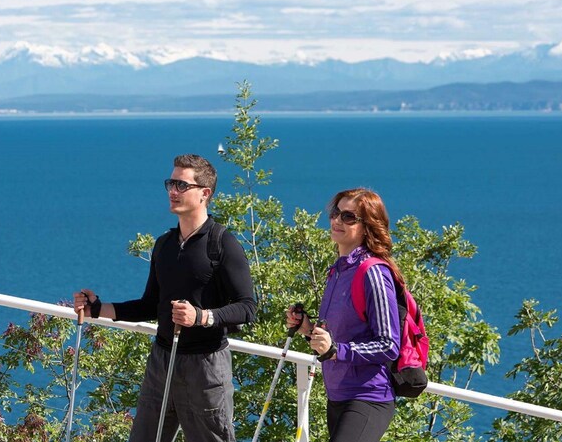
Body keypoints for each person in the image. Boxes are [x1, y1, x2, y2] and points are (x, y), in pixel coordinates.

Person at [73, 154, 256, 442]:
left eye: (182, 185)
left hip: (206, 367)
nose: (173, 191)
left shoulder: (223, 243)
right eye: (171, 183)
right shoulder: (164, 245)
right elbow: (149, 305)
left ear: (204, 194)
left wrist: (202, 316)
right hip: (161, 361)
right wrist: (97, 308)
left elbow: (247, 308)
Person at [286, 187, 401, 442]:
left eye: (349, 217)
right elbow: (340, 335)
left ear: (368, 226)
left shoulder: (373, 273)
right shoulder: (337, 271)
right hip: (338, 396)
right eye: (335, 213)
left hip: (368, 397)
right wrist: (308, 329)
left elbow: (390, 345)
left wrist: (337, 350)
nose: (337, 220)